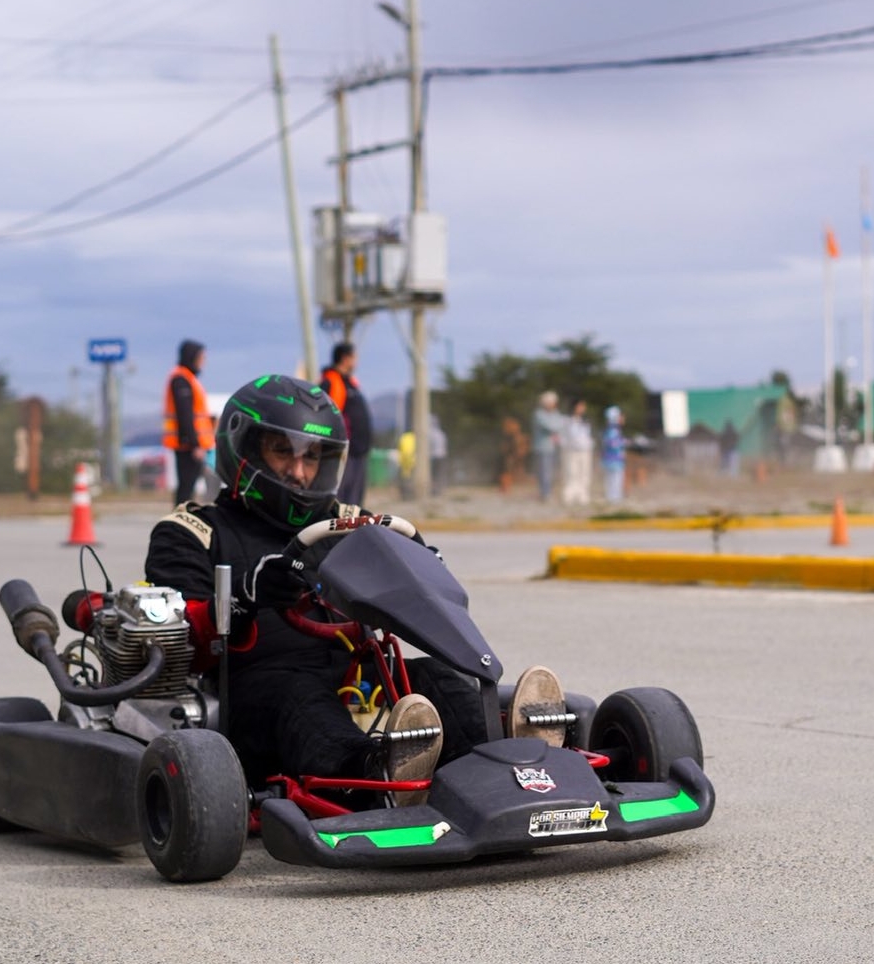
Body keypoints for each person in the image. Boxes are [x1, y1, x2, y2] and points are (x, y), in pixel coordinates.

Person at [143, 375, 564, 804]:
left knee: (434, 677)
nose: (299, 472)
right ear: (245, 451)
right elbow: (179, 640)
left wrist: (423, 569)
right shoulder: (193, 531)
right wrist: (246, 597)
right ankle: (376, 775)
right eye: (282, 452)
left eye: (312, 457)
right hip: (254, 695)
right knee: (299, 696)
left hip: (358, 678)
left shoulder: (348, 522)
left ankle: (510, 756)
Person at [162, 339, 215, 505]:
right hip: (187, 445)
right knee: (186, 488)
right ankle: (180, 517)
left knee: (188, 488)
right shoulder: (181, 380)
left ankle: (184, 514)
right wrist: (194, 444)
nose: (203, 361)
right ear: (192, 357)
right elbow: (185, 415)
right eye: (201, 357)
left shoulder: (188, 379)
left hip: (191, 444)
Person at [321, 342, 372, 506]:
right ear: (345, 358)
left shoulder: (350, 383)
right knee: (341, 498)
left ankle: (352, 522)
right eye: (354, 357)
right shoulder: (331, 382)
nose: (356, 361)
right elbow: (325, 416)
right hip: (343, 452)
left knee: (355, 500)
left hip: (358, 451)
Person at [560, 400, 594, 506]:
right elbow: (563, 436)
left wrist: (589, 444)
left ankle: (582, 495)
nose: (582, 408)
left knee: (584, 473)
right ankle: (569, 495)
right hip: (571, 451)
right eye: (580, 406)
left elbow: (588, 436)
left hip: (584, 450)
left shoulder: (586, 421)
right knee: (571, 473)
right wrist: (565, 446)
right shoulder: (567, 420)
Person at [531, 391, 562, 502]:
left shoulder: (556, 413)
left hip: (554, 447)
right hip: (542, 447)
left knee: (552, 471)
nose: (553, 404)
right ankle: (544, 493)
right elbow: (551, 426)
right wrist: (557, 426)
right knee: (544, 472)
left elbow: (561, 424)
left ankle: (549, 491)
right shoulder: (539, 414)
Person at [601, 405, 627, 503]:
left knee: (614, 479)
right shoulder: (613, 430)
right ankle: (613, 498)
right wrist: (624, 442)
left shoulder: (612, 430)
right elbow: (612, 444)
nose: (623, 418)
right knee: (614, 479)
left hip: (613, 460)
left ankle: (614, 497)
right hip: (614, 460)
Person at [499, 417, 527, 493]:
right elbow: (504, 448)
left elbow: (521, 447)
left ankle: (507, 486)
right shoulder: (508, 438)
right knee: (507, 469)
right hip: (510, 456)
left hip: (514, 456)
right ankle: (505, 486)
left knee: (509, 469)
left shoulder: (518, 437)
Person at [428, 415, 448, 497]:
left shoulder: (429, 433)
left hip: (433, 456)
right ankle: (439, 490)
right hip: (442, 456)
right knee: (439, 474)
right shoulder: (441, 433)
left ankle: (435, 490)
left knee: (433, 475)